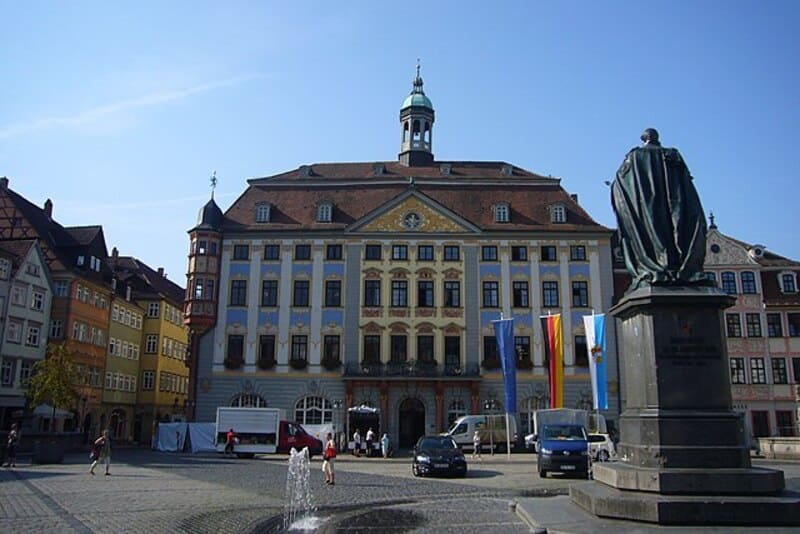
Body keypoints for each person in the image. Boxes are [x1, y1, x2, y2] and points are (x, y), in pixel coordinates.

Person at [611, 128, 708, 290]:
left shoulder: (634, 157)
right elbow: (686, 182)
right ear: (657, 138)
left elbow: (621, 183)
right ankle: (677, 265)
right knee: (674, 232)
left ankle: (659, 266)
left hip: (645, 205)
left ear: (644, 139)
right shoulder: (673, 155)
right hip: (675, 203)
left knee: (651, 234)